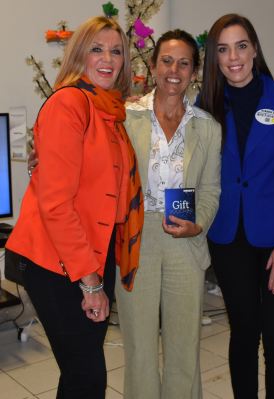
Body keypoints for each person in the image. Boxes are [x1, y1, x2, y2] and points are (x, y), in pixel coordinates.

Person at [6, 16, 143, 399]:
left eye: (116, 51)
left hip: (95, 253)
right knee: (87, 377)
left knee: (79, 372)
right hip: (59, 263)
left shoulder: (111, 112)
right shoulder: (69, 104)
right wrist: (91, 282)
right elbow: (56, 206)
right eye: (96, 49)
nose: (108, 59)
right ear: (78, 54)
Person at [198, 13, 274, 399]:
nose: (234, 57)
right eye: (223, 49)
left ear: (255, 49)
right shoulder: (206, 105)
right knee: (244, 335)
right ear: (214, 58)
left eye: (241, 46)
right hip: (230, 241)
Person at [115, 29, 221, 399]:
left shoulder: (207, 128)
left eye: (184, 63)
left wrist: (198, 223)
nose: (174, 70)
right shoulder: (125, 118)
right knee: (140, 349)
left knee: (183, 348)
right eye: (167, 60)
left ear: (194, 71)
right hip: (136, 241)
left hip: (185, 243)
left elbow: (210, 190)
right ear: (154, 64)